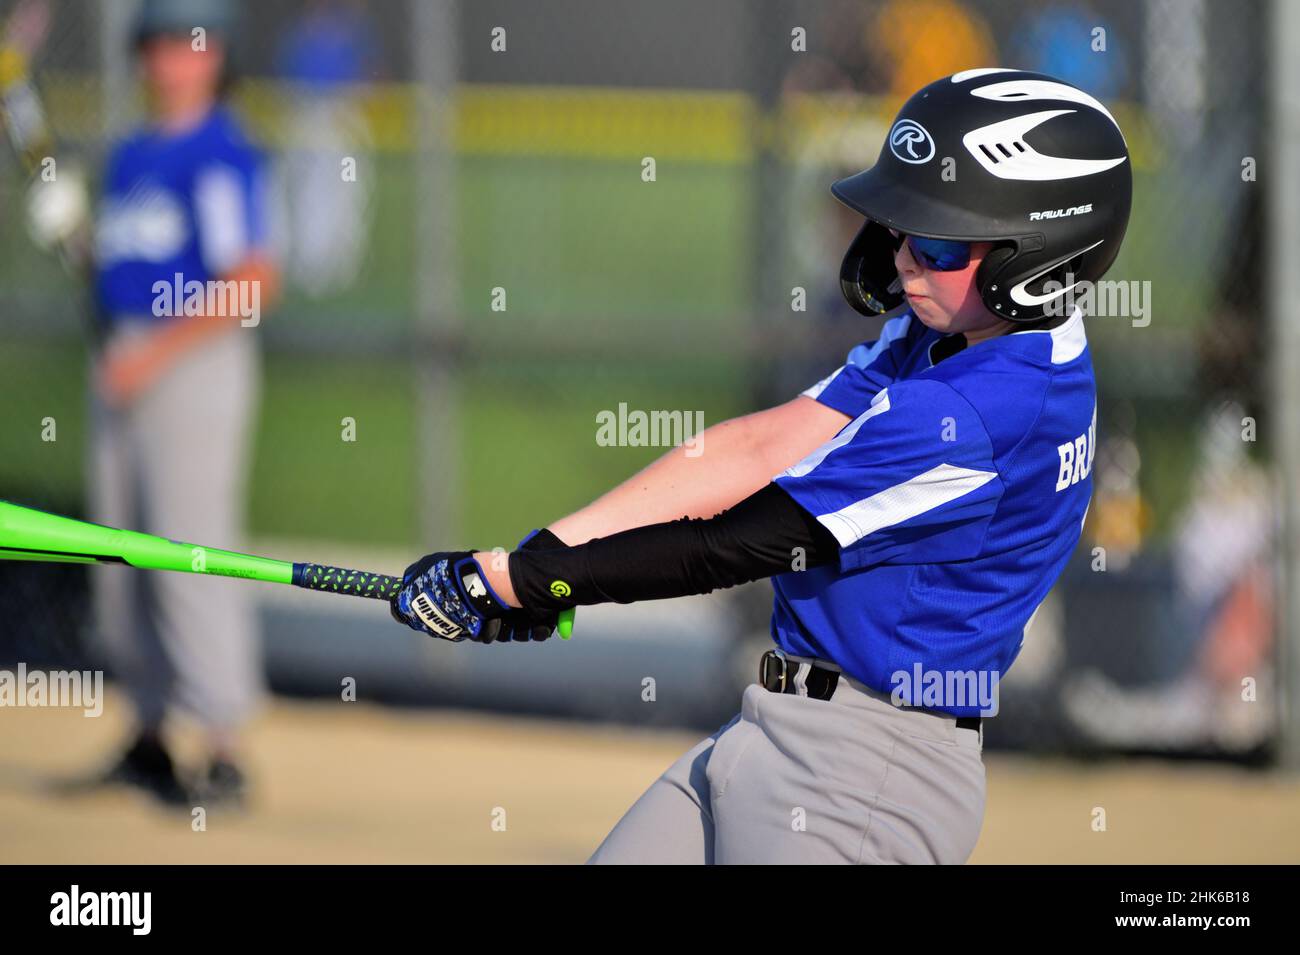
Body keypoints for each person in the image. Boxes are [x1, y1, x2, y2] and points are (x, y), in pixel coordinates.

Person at [390, 68, 1132, 864]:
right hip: (776, 726)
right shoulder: (970, 337)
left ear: (1044, 251)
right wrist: (532, 559)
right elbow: (758, 446)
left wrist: (527, 585)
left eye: (942, 242)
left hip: (865, 776)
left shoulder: (979, 413)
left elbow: (730, 543)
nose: (908, 260)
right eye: (900, 230)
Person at [82, 0, 277, 807]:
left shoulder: (222, 152)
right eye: (159, 43)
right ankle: (151, 732)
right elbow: (116, 264)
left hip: (191, 359)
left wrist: (155, 355)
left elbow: (253, 278)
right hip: (122, 357)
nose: (172, 58)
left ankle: (223, 745)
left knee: (190, 547)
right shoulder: (127, 154)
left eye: (189, 44)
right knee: (118, 554)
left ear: (215, 57)